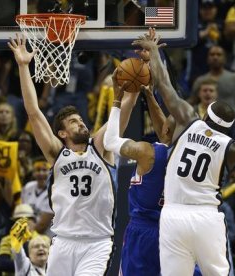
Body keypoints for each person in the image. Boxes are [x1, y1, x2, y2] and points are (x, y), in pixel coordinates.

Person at [132, 27, 235, 275]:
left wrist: (152, 51)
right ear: (228, 127)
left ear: (206, 114)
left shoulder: (189, 119)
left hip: (173, 215)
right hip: (206, 216)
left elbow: (164, 85)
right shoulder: (232, 147)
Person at [8, 34, 138, 275]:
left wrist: (135, 85)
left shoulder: (100, 147)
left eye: (80, 120)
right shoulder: (56, 154)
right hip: (62, 241)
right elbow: (33, 112)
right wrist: (24, 66)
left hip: (97, 243)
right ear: (62, 132)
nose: (81, 123)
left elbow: (122, 114)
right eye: (73, 122)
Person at [104, 76, 173, 275]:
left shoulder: (147, 151)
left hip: (142, 231)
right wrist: (150, 96)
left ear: (165, 129)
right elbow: (166, 131)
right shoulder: (184, 152)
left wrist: (117, 99)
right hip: (172, 230)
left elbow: (109, 141)